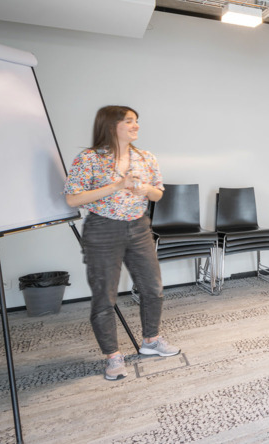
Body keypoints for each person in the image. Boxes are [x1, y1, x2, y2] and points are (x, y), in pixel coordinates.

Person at [65, 106, 181, 381]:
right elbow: (73, 199)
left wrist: (145, 189)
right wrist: (117, 186)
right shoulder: (89, 158)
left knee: (153, 287)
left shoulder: (146, 157)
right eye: (129, 121)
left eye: (137, 121)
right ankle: (113, 356)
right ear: (111, 125)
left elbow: (158, 194)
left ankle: (151, 340)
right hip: (103, 229)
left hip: (139, 227)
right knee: (105, 296)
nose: (136, 126)